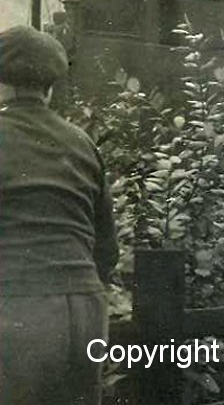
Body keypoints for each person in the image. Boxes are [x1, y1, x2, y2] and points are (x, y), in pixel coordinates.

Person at [0, 25, 118, 404]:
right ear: (50, 86)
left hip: (19, 307)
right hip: (86, 310)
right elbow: (107, 248)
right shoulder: (82, 142)